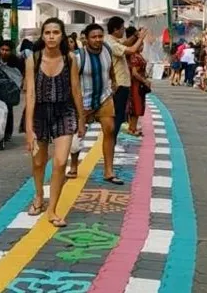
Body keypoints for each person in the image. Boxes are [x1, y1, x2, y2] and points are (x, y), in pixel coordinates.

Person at [25, 17, 85, 227]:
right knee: (39, 161)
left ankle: (52, 210)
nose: (51, 36)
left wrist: (81, 118)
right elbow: (30, 94)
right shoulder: (33, 59)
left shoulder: (70, 59)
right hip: (40, 112)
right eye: (47, 33)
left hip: (64, 111)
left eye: (56, 33)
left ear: (62, 36)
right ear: (42, 36)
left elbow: (76, 90)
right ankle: (39, 196)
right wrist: (28, 127)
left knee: (60, 162)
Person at [68, 23, 121, 184]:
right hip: (84, 102)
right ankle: (74, 165)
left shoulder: (107, 50)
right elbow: (74, 84)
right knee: (77, 138)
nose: (97, 40)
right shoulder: (78, 57)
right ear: (86, 39)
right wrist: (78, 109)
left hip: (104, 98)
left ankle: (108, 171)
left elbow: (110, 68)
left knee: (110, 130)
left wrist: (114, 82)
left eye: (100, 36)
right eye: (94, 37)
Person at [106, 16, 146, 140]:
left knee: (120, 114)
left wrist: (135, 35)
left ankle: (112, 138)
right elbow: (132, 49)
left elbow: (125, 43)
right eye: (122, 28)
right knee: (118, 116)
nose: (124, 31)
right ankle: (111, 139)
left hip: (122, 83)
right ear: (115, 29)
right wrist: (140, 38)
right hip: (119, 83)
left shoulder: (113, 40)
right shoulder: (112, 44)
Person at [0, 39, 23, 141]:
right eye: (2, 49)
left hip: (9, 89)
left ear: (11, 51)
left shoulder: (15, 61)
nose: (4, 52)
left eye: (7, 50)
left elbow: (19, 75)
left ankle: (7, 133)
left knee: (8, 110)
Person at [126, 25, 150, 136]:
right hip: (136, 84)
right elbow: (134, 73)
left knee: (136, 106)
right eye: (141, 44)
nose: (142, 47)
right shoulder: (134, 56)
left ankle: (133, 127)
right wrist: (144, 81)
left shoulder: (137, 55)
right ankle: (132, 128)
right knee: (135, 106)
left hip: (137, 84)